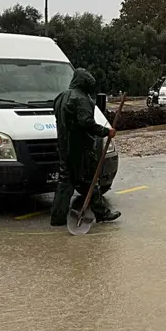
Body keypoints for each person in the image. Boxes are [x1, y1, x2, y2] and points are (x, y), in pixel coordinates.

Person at [50, 69, 120, 226]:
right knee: (90, 179)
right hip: (81, 149)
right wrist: (106, 131)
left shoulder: (60, 97)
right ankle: (102, 213)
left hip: (64, 147)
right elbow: (86, 123)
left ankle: (57, 217)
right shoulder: (82, 99)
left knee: (65, 181)